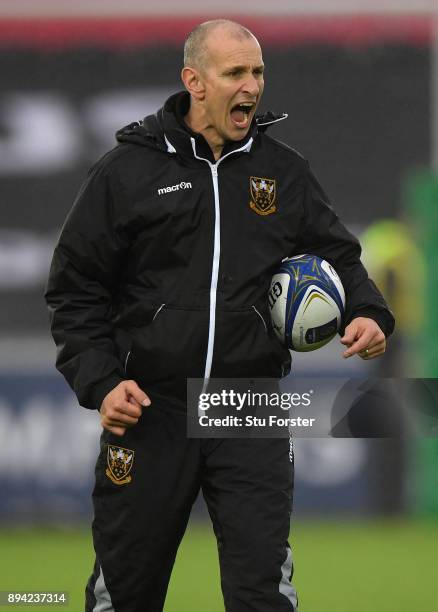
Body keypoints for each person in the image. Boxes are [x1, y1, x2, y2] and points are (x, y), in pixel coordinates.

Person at [45, 19, 395, 612]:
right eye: (235, 72)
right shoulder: (125, 172)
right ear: (195, 81)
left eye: (258, 71)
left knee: (263, 594)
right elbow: (75, 290)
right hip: (152, 407)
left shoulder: (284, 171)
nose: (252, 85)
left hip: (249, 406)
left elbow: (340, 256)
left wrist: (368, 311)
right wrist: (101, 382)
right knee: (125, 595)